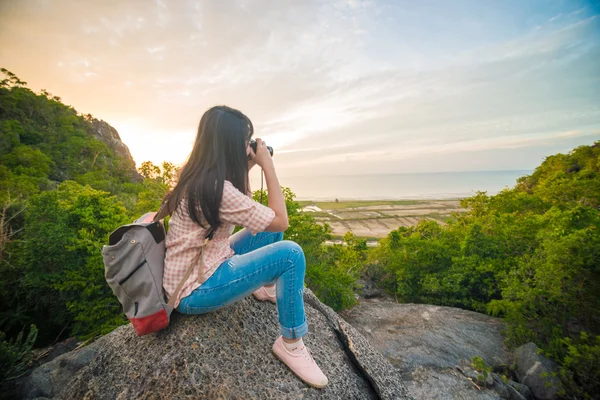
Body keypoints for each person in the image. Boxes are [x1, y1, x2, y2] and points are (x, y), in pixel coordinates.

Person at [160, 105, 328, 389]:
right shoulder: (217, 189)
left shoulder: (198, 174)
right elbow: (280, 220)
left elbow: (248, 209)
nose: (247, 145)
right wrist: (267, 166)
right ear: (229, 143)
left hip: (204, 259)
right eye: (244, 140)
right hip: (194, 290)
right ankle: (291, 343)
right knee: (290, 254)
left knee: (264, 232)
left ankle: (264, 287)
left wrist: (247, 166)